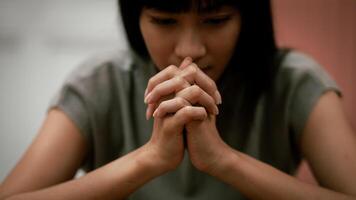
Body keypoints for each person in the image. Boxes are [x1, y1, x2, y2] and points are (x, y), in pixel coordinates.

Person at [1, 0, 356, 199]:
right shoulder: (99, 83)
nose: (190, 50)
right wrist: (151, 158)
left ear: (248, 18)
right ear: (134, 17)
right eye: (163, 20)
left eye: (216, 20)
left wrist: (222, 160)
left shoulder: (294, 81)